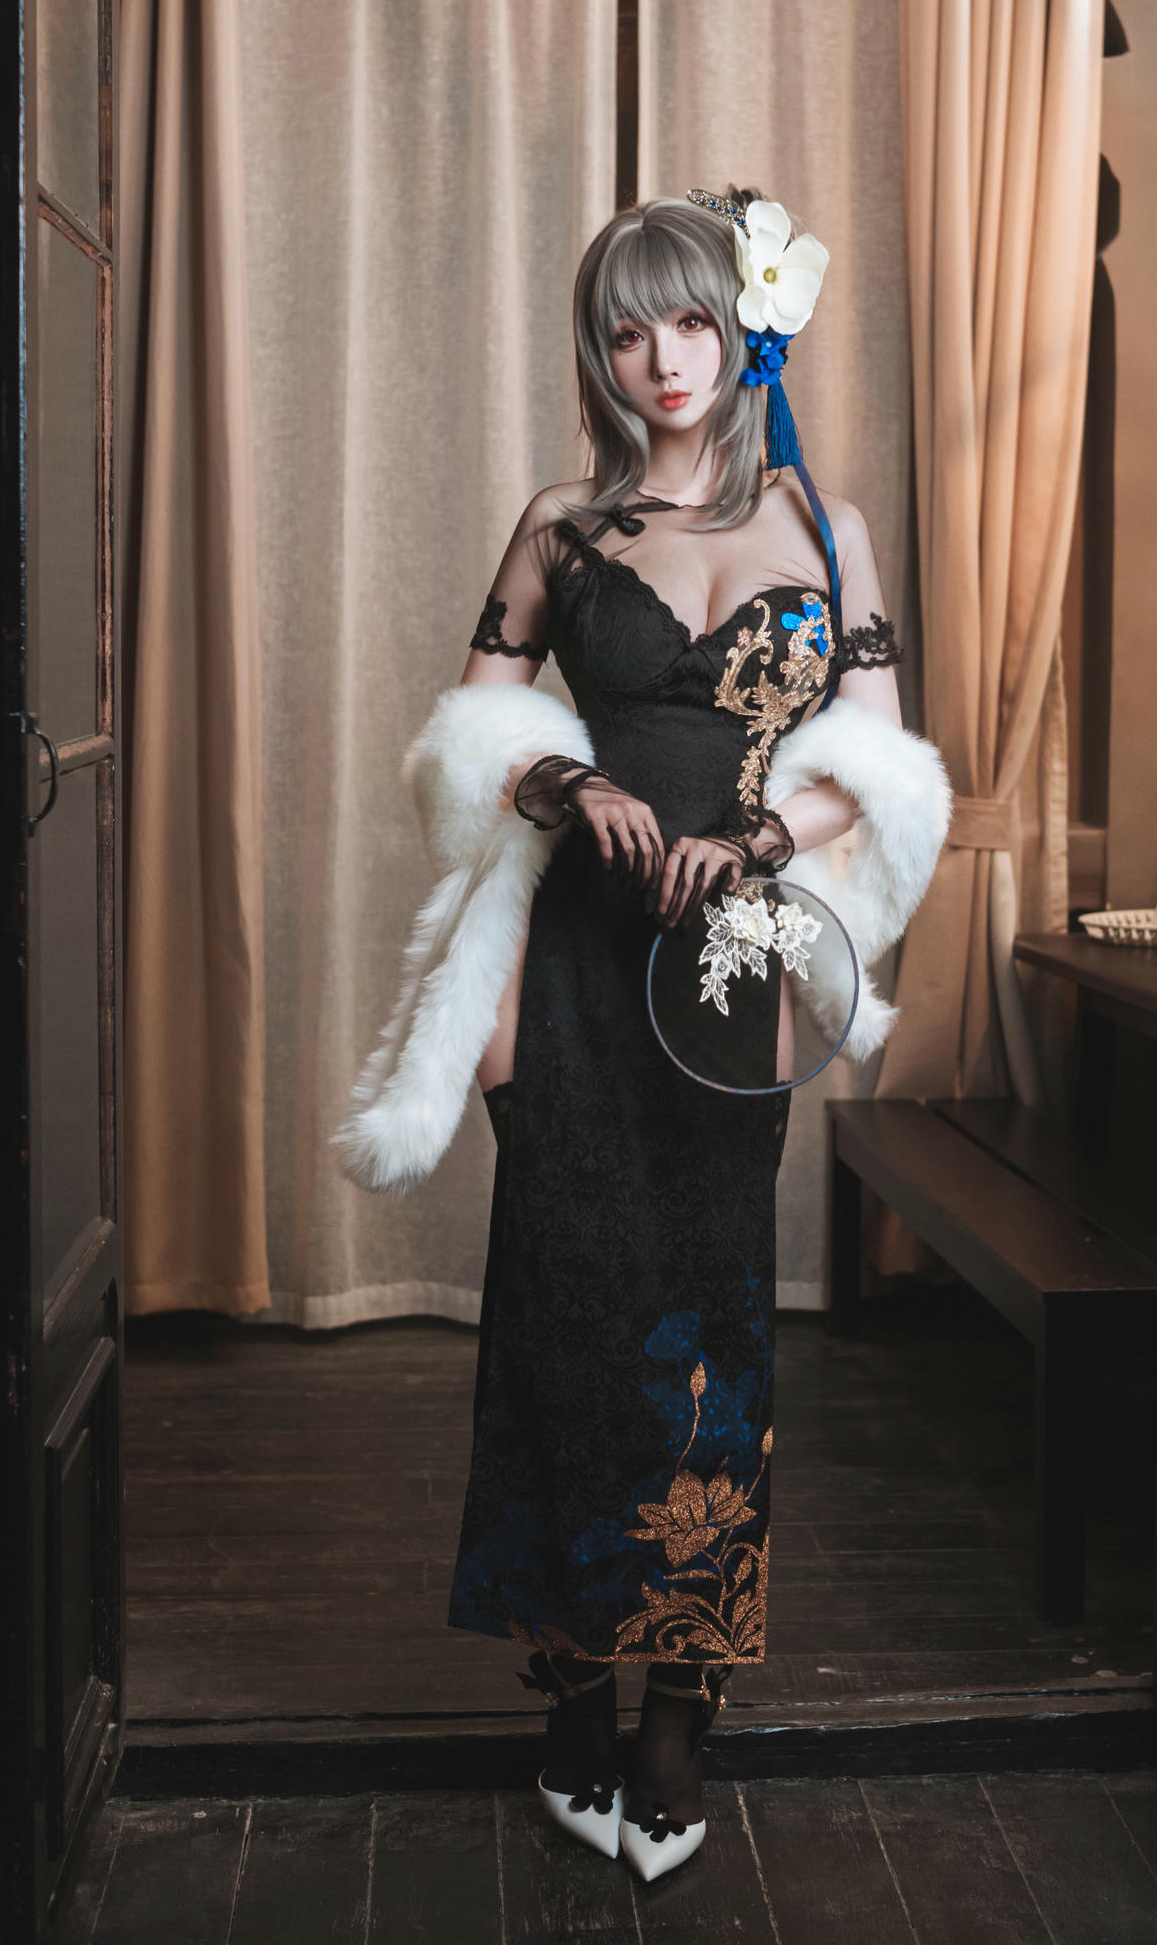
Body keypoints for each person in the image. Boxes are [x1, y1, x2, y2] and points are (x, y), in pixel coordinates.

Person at [340, 190, 949, 1881]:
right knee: (564, 1319)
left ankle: (683, 1707)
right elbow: (460, 735)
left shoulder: (825, 523)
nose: (661, 359)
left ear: (741, 331)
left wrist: (753, 838)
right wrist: (565, 774)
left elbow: (883, 765)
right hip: (566, 969)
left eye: (689, 321)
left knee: (708, 1334)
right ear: (596, 353)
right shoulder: (561, 526)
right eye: (626, 331)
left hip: (728, 975)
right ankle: (573, 1702)